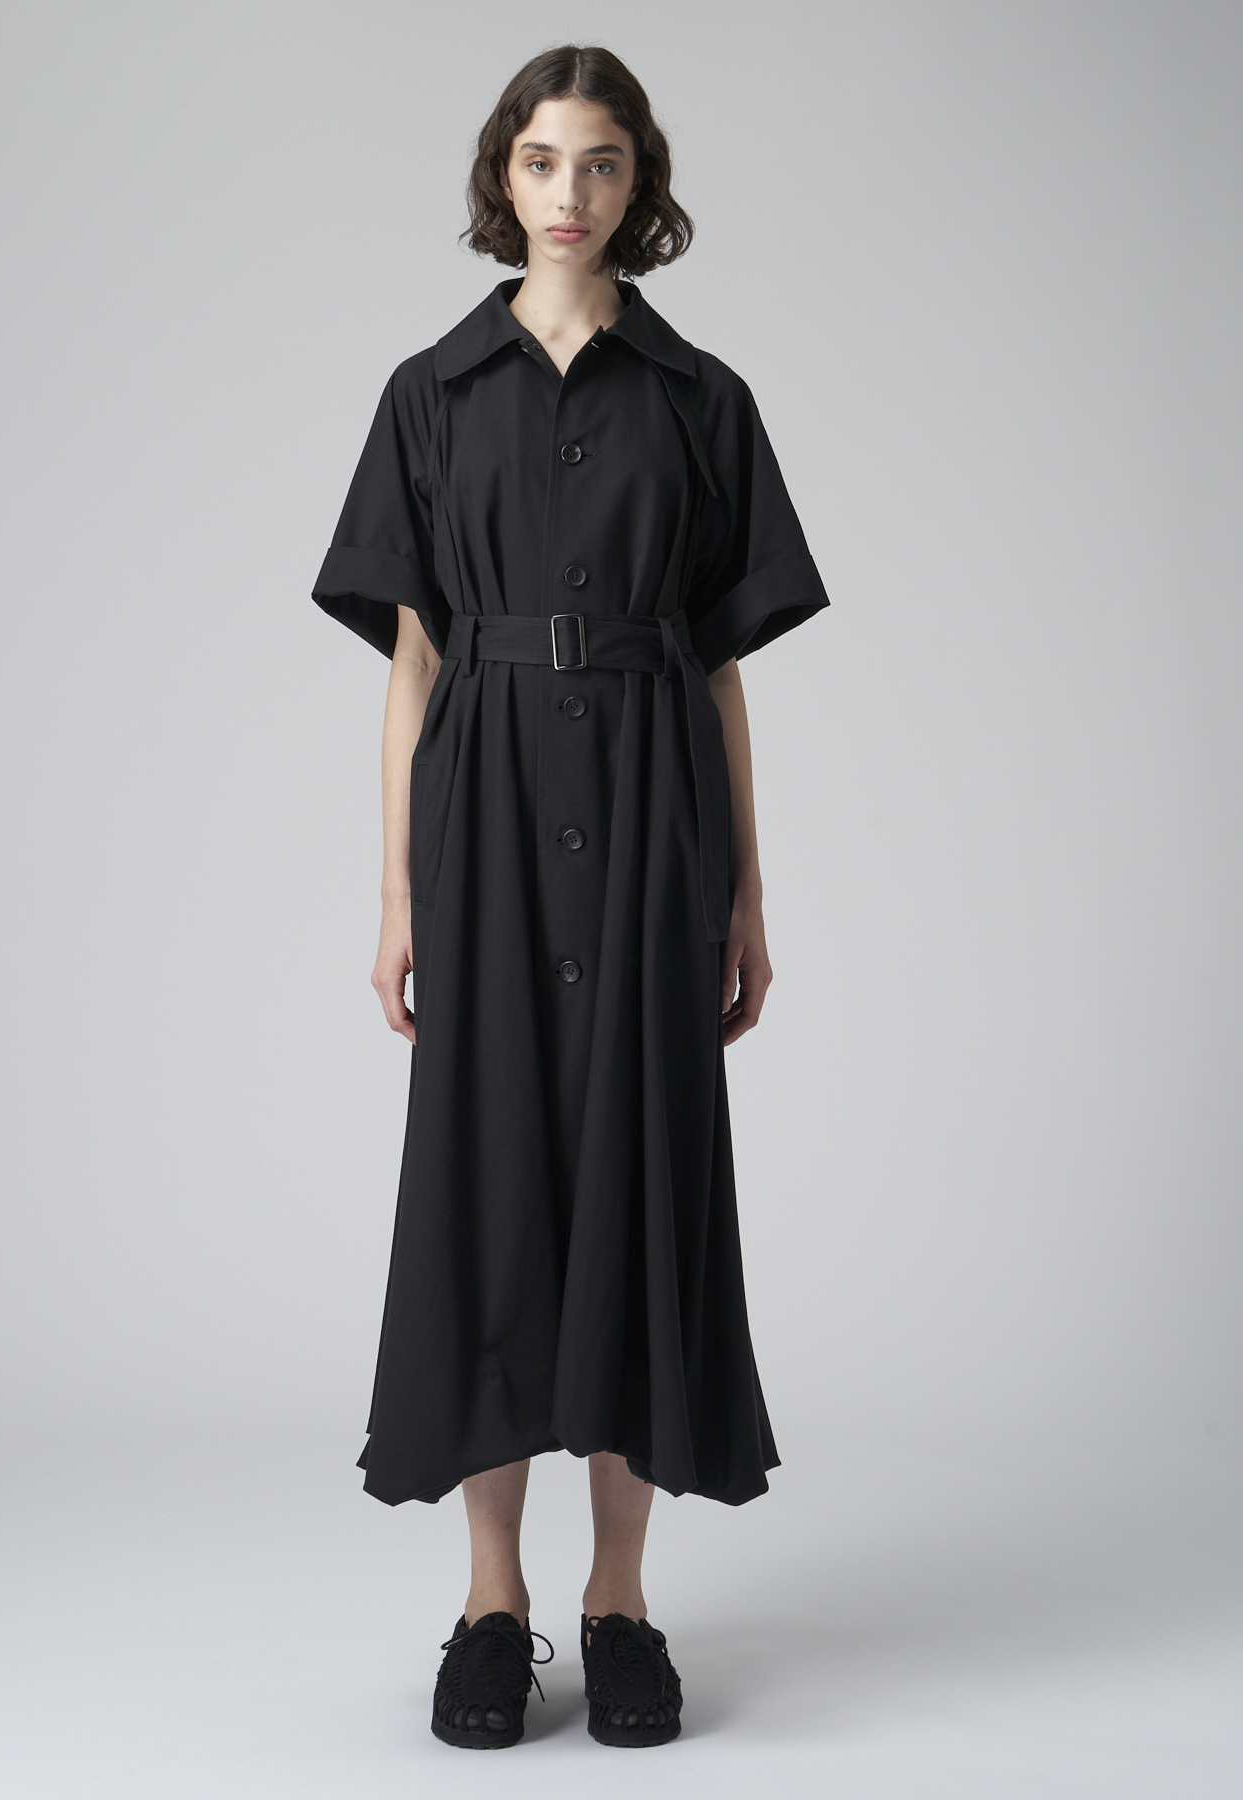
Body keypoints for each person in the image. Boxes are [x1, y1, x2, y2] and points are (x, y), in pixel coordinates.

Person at [311, 43, 830, 1750]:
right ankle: (491, 1601)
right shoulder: (431, 394)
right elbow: (412, 662)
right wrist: (396, 890)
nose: (571, 191)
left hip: (655, 819)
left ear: (638, 185)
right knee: (489, 1191)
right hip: (482, 817)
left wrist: (747, 893)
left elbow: (725, 667)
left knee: (638, 1188)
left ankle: (619, 1600)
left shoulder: (702, 400)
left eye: (602, 162)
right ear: (503, 177)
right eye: (542, 159)